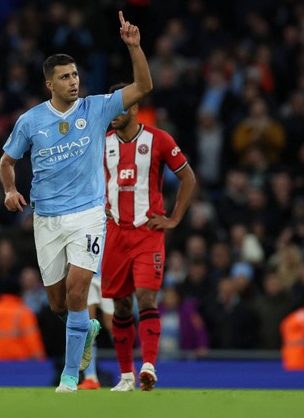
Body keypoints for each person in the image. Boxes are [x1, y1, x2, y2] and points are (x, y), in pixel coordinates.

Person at [0, 11, 153, 393]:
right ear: (49, 83)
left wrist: (134, 46)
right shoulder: (31, 121)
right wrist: (9, 189)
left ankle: (71, 378)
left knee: (77, 292)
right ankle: (85, 330)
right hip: (46, 218)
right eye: (65, 77)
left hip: (88, 215)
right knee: (58, 304)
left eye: (75, 75)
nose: (73, 81)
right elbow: (7, 161)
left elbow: (143, 86)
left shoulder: (96, 108)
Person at [102, 82, 195, 391]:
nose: (113, 114)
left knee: (146, 298)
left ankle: (150, 367)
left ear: (134, 107)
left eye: (119, 108)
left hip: (147, 233)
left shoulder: (158, 139)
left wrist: (174, 218)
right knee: (120, 307)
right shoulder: (102, 144)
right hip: (115, 233)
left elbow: (188, 177)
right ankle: (126, 375)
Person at [0, 278, 46, 361]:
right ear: (19, 292)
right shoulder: (24, 312)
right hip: (19, 364)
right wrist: (41, 359)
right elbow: (32, 340)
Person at [78, 273, 114, 390]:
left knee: (114, 327)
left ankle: (127, 371)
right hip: (88, 274)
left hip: (109, 275)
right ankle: (91, 377)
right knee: (88, 326)